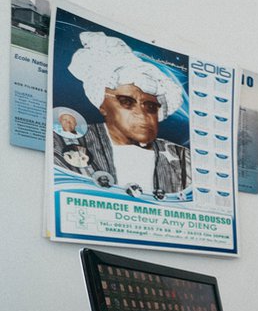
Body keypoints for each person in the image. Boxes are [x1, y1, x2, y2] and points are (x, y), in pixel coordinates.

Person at [51, 31, 190, 199]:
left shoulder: (183, 158)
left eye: (151, 106)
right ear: (102, 105)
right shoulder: (62, 144)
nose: (141, 114)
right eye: (126, 102)